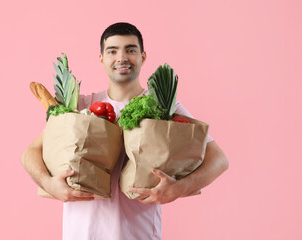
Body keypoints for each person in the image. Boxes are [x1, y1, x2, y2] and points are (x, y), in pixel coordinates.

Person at [21, 22, 228, 240]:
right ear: (101, 59)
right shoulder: (80, 107)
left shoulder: (164, 108)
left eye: (130, 50)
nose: (122, 58)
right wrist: (48, 183)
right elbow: (30, 152)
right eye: (112, 51)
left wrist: (179, 188)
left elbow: (219, 160)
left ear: (143, 57)